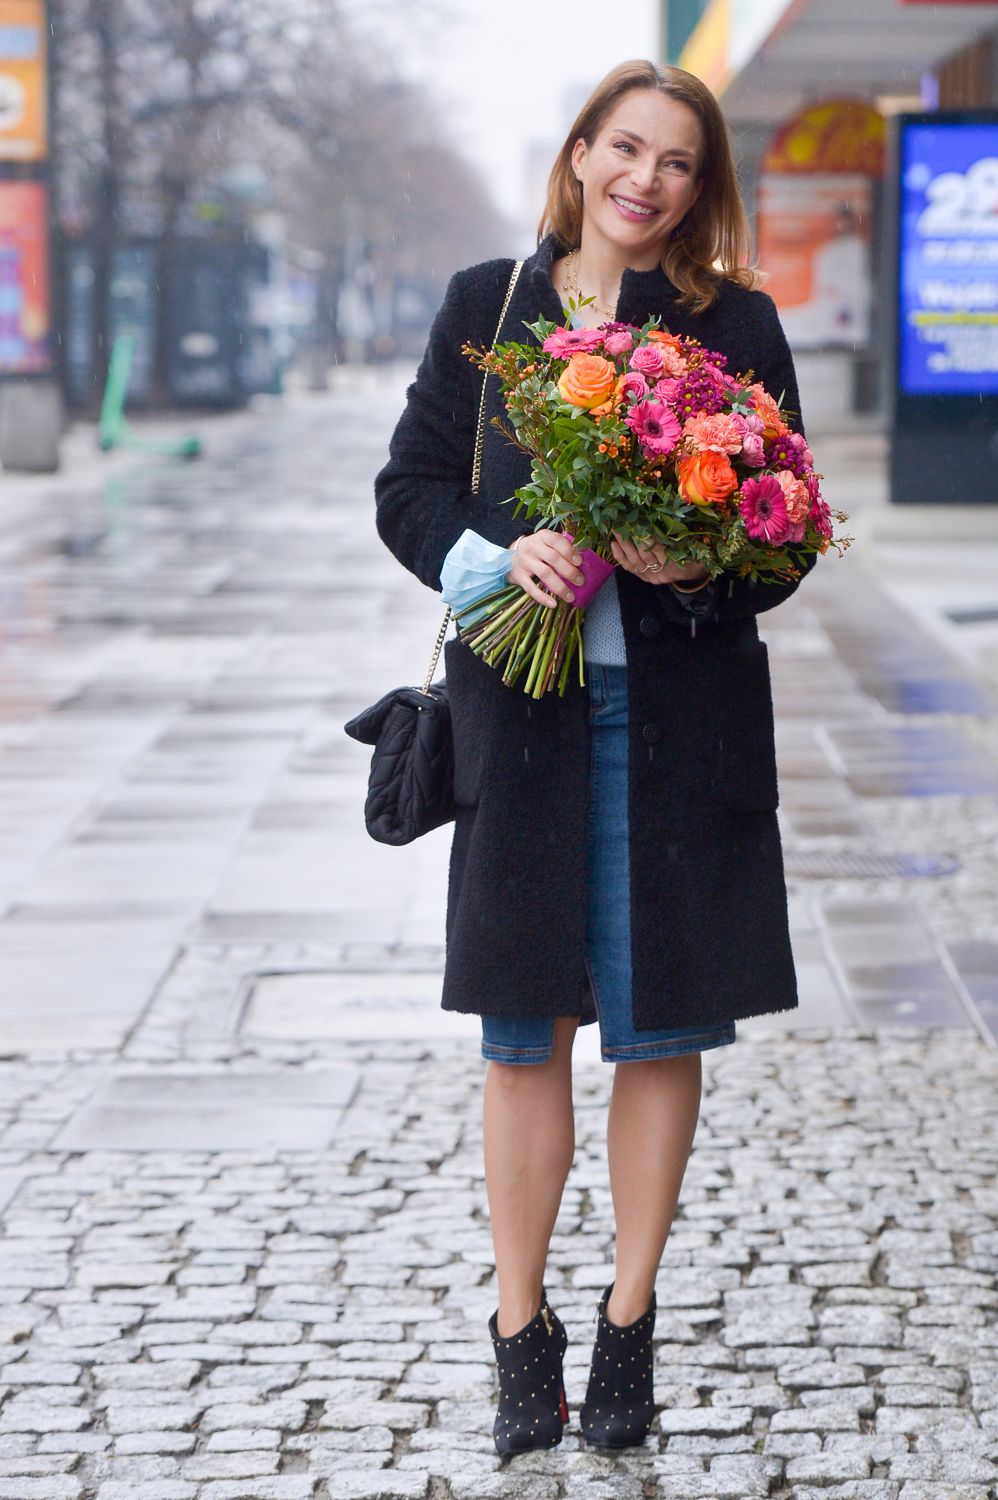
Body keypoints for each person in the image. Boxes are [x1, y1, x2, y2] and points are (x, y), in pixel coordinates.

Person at [374, 59, 816, 1457]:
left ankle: (627, 1320)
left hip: (675, 728)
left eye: (676, 161)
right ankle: (521, 1332)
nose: (646, 178)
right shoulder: (485, 307)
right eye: (625, 147)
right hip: (522, 724)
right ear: (578, 154)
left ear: (700, 187)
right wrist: (498, 558)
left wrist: (691, 556)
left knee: (659, 1025)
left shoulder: (728, 320)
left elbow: (788, 528)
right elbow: (406, 491)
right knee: (523, 1035)